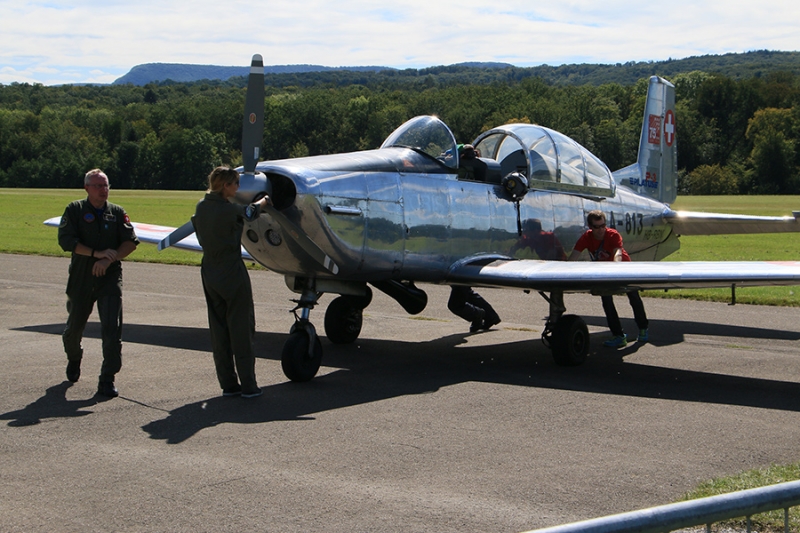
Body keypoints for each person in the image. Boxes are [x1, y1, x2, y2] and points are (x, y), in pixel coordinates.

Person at [58, 169, 139, 398]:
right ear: (86, 188)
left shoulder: (117, 212)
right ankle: (74, 357)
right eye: (97, 186)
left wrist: (107, 259)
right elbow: (66, 241)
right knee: (74, 328)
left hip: (109, 277)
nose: (103, 190)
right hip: (82, 276)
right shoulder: (74, 210)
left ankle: (107, 378)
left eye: (105, 186)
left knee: (112, 329)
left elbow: (130, 242)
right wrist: (96, 254)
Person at [192, 166, 270, 398]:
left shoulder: (201, 206)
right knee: (241, 327)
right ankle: (248, 385)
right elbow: (250, 213)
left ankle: (228, 383)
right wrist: (266, 200)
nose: (238, 188)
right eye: (235, 183)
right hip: (231, 271)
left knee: (218, 328)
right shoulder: (227, 209)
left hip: (209, 271)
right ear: (225, 186)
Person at [568, 210, 648, 348]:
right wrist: (565, 271)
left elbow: (617, 252)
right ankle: (619, 336)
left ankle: (643, 329)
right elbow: (574, 256)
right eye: (596, 227)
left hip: (623, 270)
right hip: (604, 272)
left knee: (634, 298)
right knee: (607, 302)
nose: (600, 230)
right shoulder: (586, 238)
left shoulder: (612, 234)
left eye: (603, 225)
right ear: (590, 227)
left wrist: (615, 268)